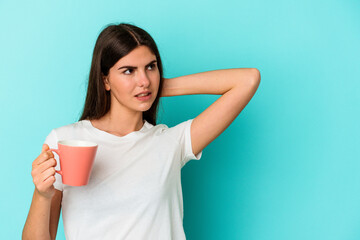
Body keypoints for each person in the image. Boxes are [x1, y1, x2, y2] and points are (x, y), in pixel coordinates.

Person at [22, 22, 261, 240]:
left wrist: (159, 87)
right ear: (105, 80)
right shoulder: (66, 140)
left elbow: (248, 79)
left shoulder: (172, 142)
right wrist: (42, 195)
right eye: (128, 71)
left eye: (150, 67)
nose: (143, 80)